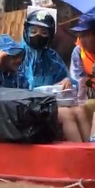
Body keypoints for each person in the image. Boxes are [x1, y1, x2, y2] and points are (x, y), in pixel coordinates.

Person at [21, 10, 90, 141]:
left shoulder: (51, 57)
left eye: (44, 33)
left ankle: (93, 150)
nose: (38, 36)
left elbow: (70, 80)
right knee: (65, 114)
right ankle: (80, 154)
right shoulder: (19, 55)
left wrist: (66, 80)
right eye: (33, 31)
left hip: (51, 104)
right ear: (26, 31)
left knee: (79, 111)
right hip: (27, 106)